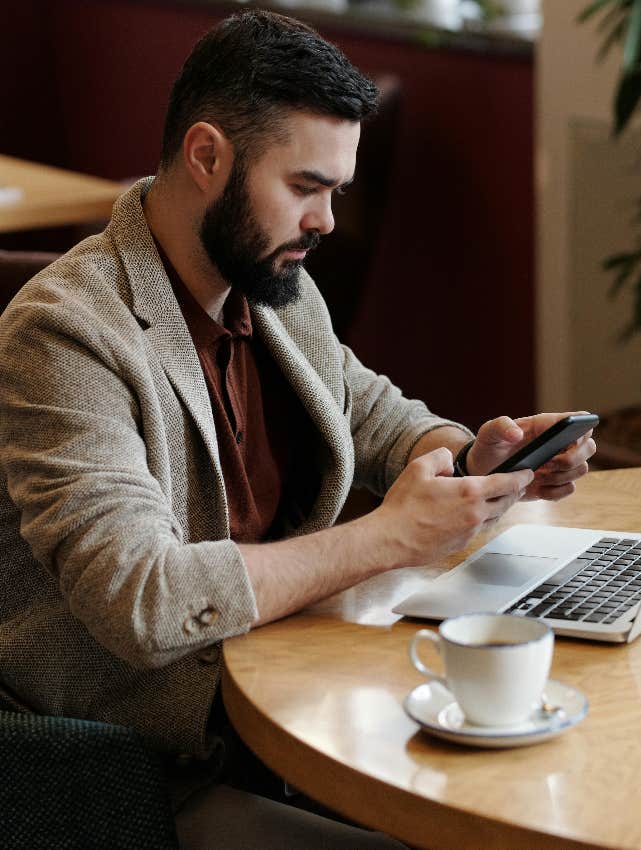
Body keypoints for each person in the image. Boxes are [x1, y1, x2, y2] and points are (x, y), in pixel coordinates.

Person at [0, 11, 596, 849]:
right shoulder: (64, 333)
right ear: (207, 157)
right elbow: (143, 599)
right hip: (136, 771)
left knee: (532, 800)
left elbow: (374, 412)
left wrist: (469, 457)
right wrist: (390, 538)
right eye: (305, 187)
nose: (325, 221)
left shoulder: (273, 286)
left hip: (286, 701)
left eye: (336, 193)